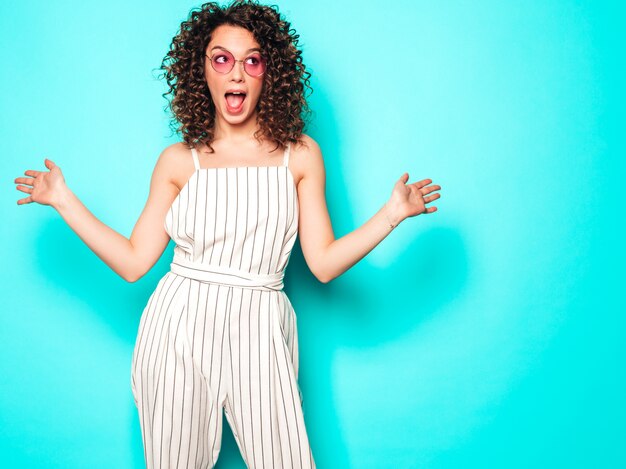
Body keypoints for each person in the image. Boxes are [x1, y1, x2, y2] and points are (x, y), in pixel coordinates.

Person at [13, 0, 441, 467]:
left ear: (267, 73)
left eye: (251, 60)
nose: (236, 73)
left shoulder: (299, 155)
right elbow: (135, 261)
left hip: (261, 328)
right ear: (203, 72)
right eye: (222, 59)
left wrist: (392, 213)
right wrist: (63, 200)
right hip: (178, 328)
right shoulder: (179, 161)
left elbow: (322, 263)